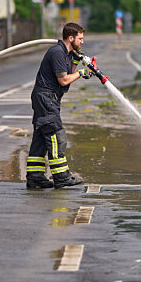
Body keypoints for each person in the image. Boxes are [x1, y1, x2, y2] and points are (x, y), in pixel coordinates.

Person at [25, 22, 93, 189]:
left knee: (41, 137)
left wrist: (76, 62)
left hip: (48, 98)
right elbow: (63, 80)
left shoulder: (66, 54)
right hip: (46, 98)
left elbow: (66, 78)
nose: (82, 42)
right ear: (71, 38)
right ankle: (61, 176)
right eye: (80, 38)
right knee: (56, 135)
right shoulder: (57, 52)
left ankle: (35, 177)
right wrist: (81, 73)